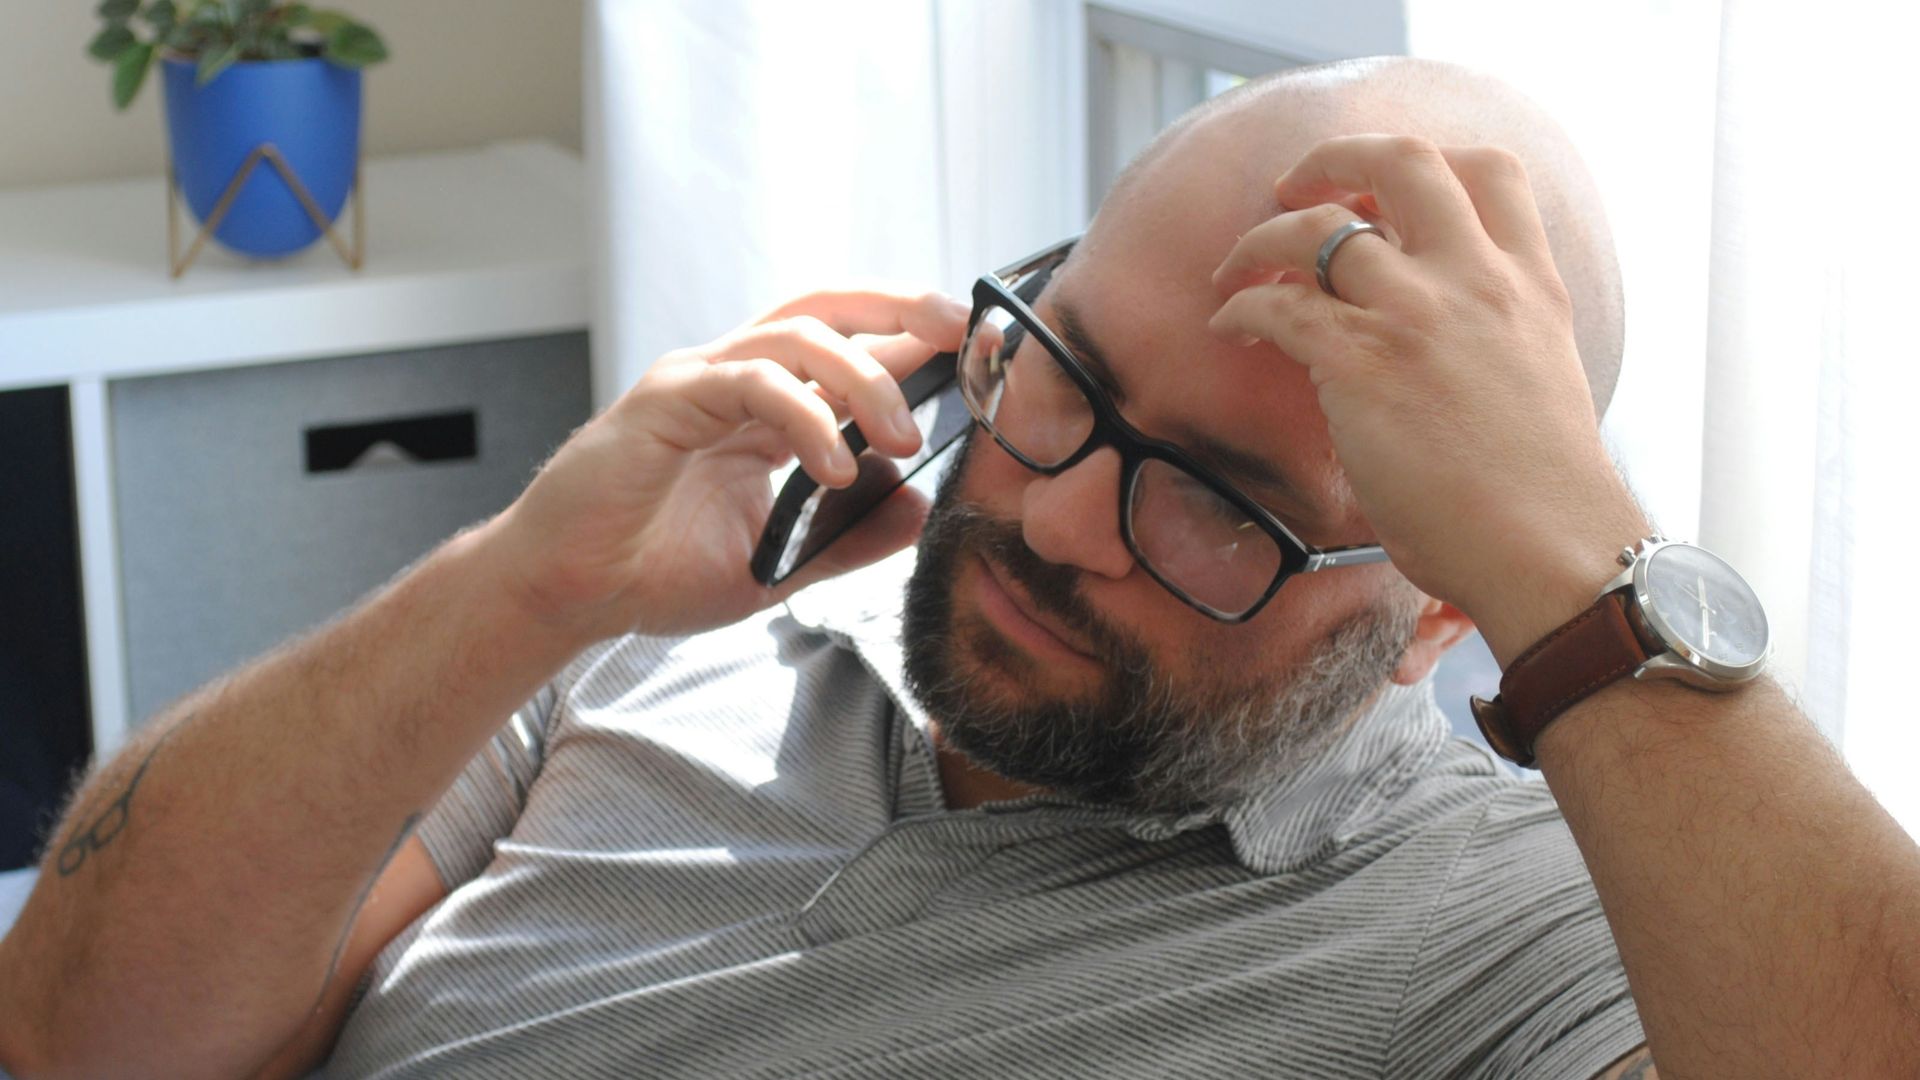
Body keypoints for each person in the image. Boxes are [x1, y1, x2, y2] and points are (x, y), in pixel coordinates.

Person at [2, 55, 1916, 1079]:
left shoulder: (1530, 939)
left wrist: (1579, 571)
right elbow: (78, 1039)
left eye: (1218, 499)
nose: (1064, 511)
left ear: (1440, 602)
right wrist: (519, 578)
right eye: (1065, 367)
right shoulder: (696, 625)